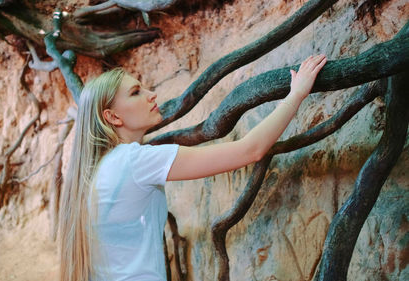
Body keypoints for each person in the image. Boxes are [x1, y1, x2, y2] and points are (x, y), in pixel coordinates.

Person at [59, 54, 328, 281]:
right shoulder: (136, 161)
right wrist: (297, 94)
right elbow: (250, 150)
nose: (152, 95)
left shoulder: (100, 168)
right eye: (136, 92)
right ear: (113, 117)